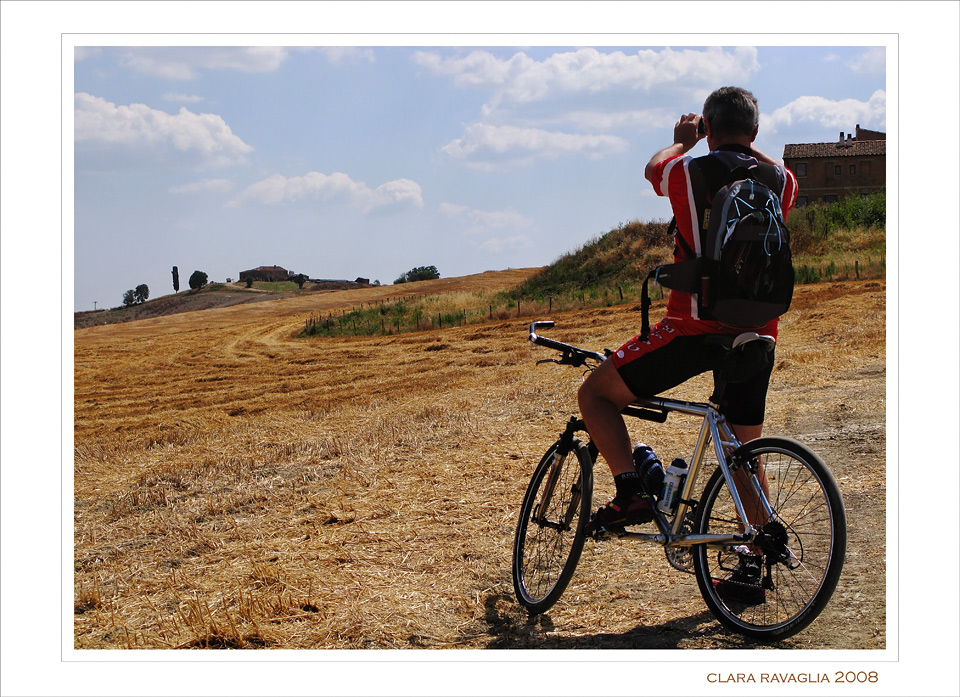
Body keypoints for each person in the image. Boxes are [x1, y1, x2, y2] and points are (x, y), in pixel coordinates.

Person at [578, 86, 798, 533]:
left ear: (708, 127)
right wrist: (745, 144)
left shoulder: (688, 170)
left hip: (694, 329)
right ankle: (759, 547)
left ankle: (631, 492)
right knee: (742, 451)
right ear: (756, 131)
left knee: (594, 395)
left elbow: (653, 168)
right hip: (759, 332)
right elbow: (778, 168)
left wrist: (684, 140)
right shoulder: (781, 181)